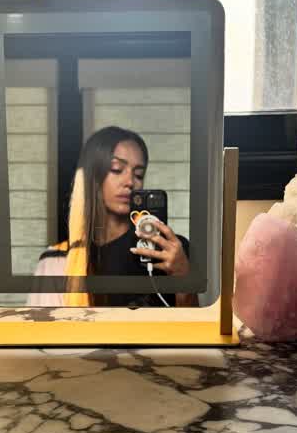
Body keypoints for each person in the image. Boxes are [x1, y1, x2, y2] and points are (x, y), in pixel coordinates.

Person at [28, 126, 196, 307]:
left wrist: (183, 277)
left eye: (138, 174)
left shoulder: (169, 251)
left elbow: (193, 321)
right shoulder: (57, 260)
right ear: (92, 176)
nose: (130, 182)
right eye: (117, 169)